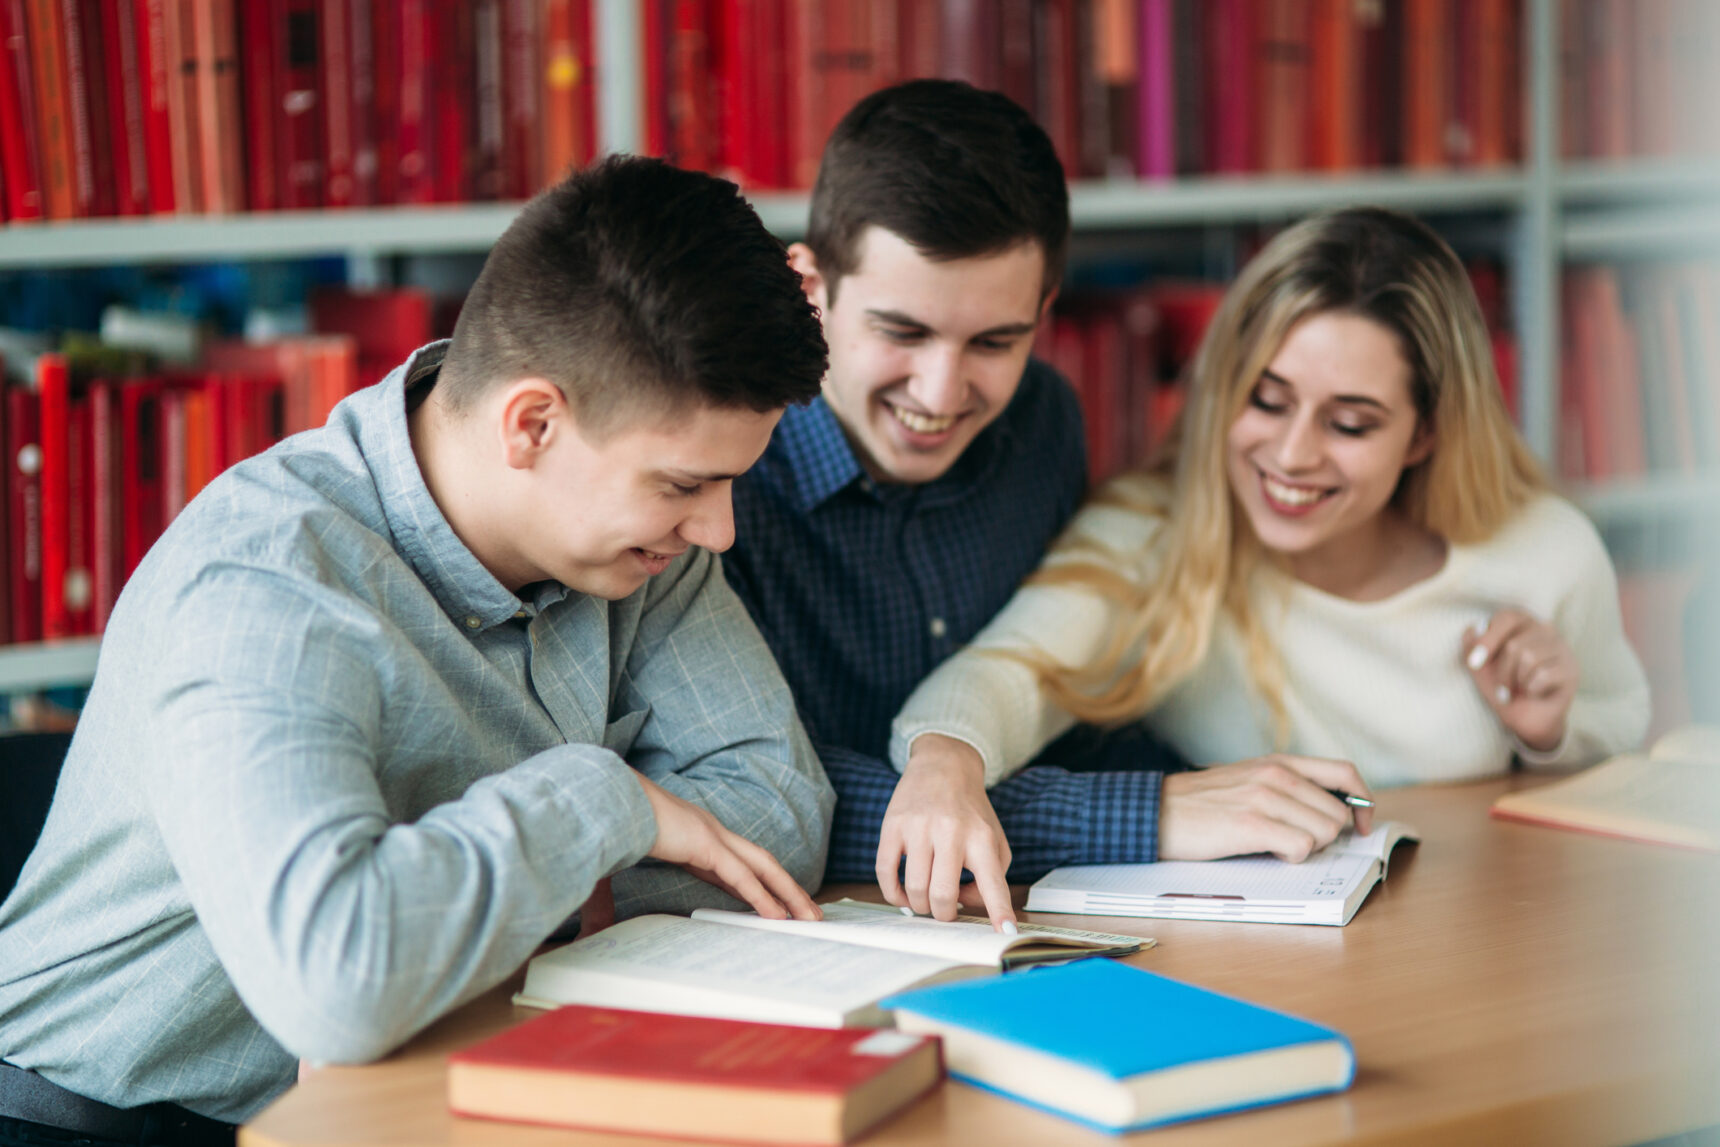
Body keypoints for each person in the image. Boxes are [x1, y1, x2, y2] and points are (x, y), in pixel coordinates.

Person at [0, 156, 834, 1144]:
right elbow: (340, 984)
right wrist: (605, 803)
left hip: (412, 1089)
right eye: (684, 483)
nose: (720, 531)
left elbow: (777, 820)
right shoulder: (265, 583)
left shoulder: (641, 547)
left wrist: (455, 917)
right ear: (533, 422)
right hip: (101, 1121)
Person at [724, 79, 1375, 936]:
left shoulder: (1044, 418)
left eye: (995, 341)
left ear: (1043, 313)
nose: (942, 390)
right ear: (811, 287)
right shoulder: (722, 471)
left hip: (1031, 920)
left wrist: (1236, 795)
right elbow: (766, 794)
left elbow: (1065, 706)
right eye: (903, 332)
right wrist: (1157, 814)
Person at [891, 206, 1650, 838]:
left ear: (1425, 435)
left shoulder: (1546, 551)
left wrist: (1549, 734)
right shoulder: (1153, 535)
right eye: (1266, 399)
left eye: (1350, 424)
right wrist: (945, 760)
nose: (1291, 455)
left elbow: (1619, 765)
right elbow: (1005, 670)